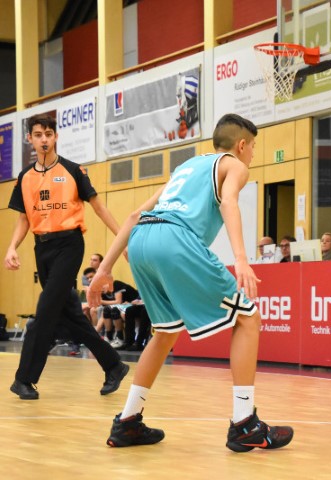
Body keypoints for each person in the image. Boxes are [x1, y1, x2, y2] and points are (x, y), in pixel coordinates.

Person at [88, 113, 294, 451]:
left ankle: (128, 421)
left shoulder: (185, 168)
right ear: (242, 145)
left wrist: (104, 269)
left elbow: (133, 216)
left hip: (141, 240)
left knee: (165, 333)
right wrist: (241, 258)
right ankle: (244, 423)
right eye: (254, 147)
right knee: (247, 318)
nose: (253, 154)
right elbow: (229, 202)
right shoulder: (235, 165)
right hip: (174, 239)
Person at [4, 113, 129, 400]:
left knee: (44, 313)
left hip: (69, 246)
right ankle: (113, 365)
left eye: (49, 133)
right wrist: (12, 247)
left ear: (56, 137)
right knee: (70, 315)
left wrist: (123, 240)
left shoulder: (74, 170)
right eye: (38, 134)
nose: (44, 139)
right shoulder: (24, 177)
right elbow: (24, 219)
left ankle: (24, 379)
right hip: (41, 248)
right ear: (30, 139)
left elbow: (99, 208)